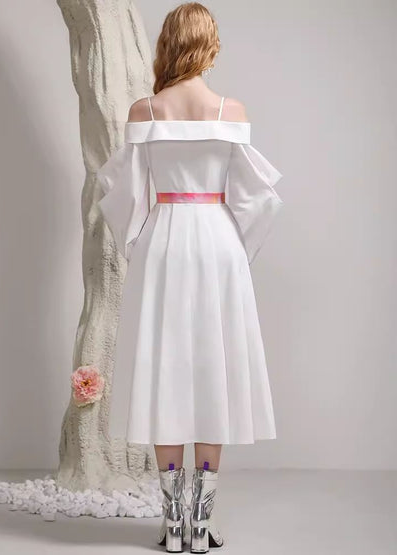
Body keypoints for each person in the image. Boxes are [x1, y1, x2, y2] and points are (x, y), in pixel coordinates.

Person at [96, 2, 283, 552]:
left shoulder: (145, 111)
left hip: (164, 239)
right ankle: (201, 525)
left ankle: (174, 523)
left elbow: (123, 195)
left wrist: (140, 242)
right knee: (212, 373)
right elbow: (257, 198)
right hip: (218, 240)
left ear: (168, 43)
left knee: (165, 374)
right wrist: (237, 250)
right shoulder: (230, 109)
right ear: (209, 45)